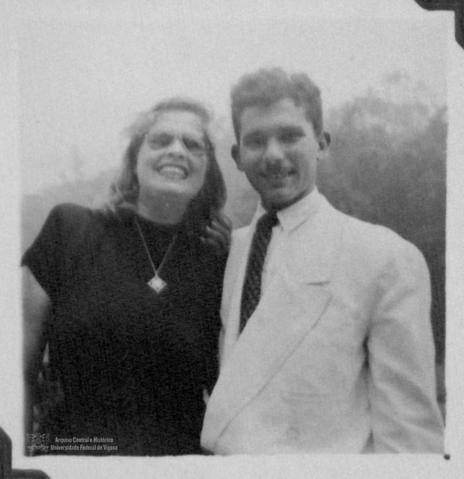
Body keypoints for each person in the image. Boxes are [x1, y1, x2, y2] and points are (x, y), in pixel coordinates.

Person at [201, 68, 444, 454]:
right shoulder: (228, 251)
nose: (273, 155)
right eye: (256, 141)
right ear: (238, 156)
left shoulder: (383, 256)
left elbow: (409, 437)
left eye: (289, 136)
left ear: (321, 143)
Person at [22, 97, 230, 456]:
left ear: (208, 169)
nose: (176, 151)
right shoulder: (69, 231)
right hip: (72, 460)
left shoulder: (221, 262)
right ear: (135, 159)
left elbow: (232, 395)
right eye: (160, 140)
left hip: (180, 469)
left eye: (193, 144)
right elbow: (13, 372)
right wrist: (19, 463)